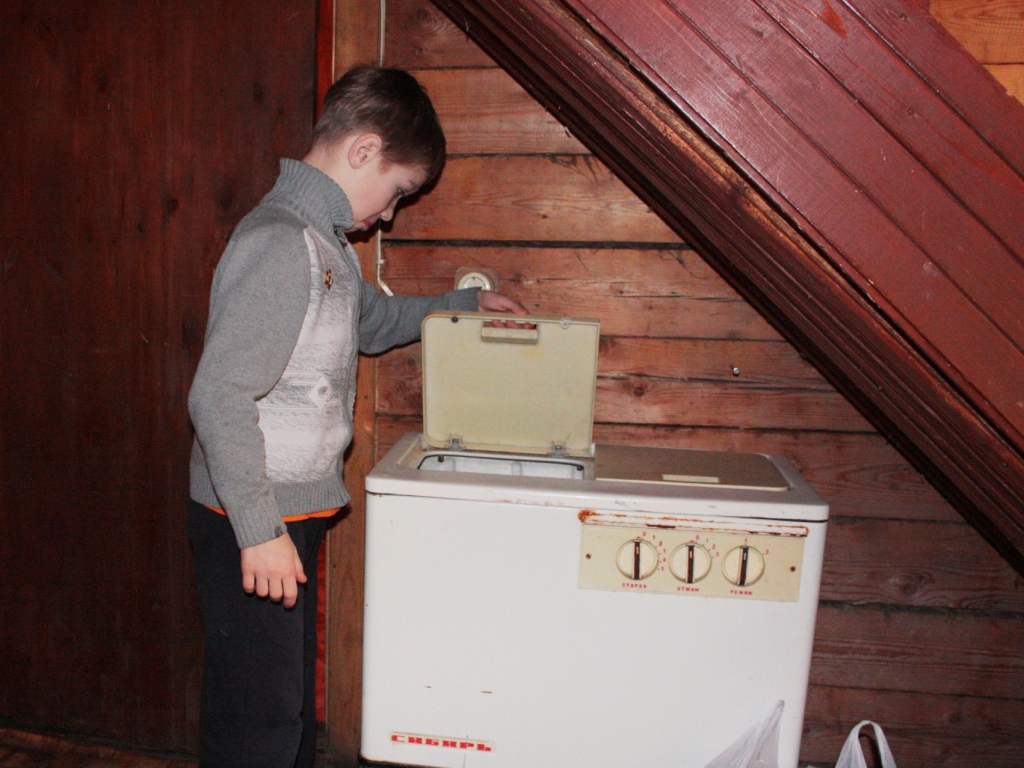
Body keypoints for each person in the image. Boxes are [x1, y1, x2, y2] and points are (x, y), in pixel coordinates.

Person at [186, 66, 527, 768]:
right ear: (363, 150)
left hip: (285, 513)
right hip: (249, 516)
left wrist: (459, 306)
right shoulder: (279, 241)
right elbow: (218, 395)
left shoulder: (329, 247)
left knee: (283, 706)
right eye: (398, 191)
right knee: (256, 717)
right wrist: (259, 531)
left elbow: (372, 322)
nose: (392, 214)